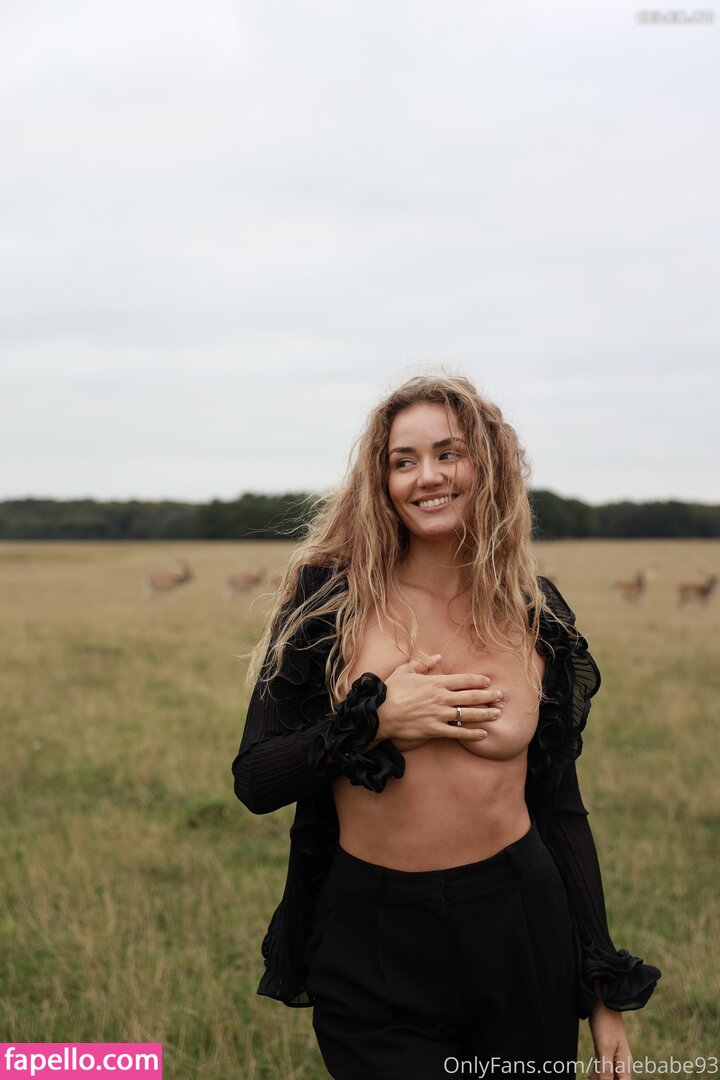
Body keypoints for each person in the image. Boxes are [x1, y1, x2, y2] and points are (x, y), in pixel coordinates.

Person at [232, 374, 660, 1080]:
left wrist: (601, 988)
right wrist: (375, 721)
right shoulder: (328, 604)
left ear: (486, 466)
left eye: (447, 453)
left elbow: (560, 808)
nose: (426, 476)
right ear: (382, 481)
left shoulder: (533, 613)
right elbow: (255, 778)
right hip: (374, 941)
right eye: (403, 461)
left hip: (520, 927)